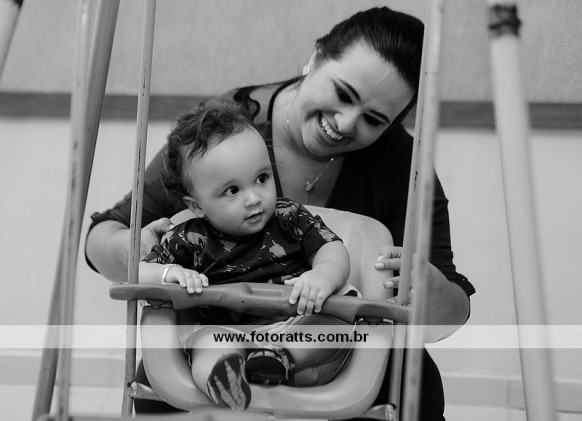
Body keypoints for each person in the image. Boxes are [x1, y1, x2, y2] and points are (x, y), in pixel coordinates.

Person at [86, 7, 475, 420]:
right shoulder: (223, 133)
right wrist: (148, 258)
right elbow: (102, 238)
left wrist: (428, 290)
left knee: (411, 385)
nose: (346, 123)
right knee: (183, 366)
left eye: (374, 120)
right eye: (343, 94)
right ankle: (225, 376)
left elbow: (451, 310)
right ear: (316, 58)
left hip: (330, 339)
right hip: (222, 326)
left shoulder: (401, 164)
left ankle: (281, 357)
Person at [138, 98, 353, 410]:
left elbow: (331, 247)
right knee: (204, 344)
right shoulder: (188, 238)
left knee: (339, 315)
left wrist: (324, 274)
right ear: (197, 206)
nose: (254, 198)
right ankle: (225, 381)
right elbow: (139, 273)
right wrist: (170, 273)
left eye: (262, 179)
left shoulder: (289, 216)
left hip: (294, 325)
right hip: (225, 333)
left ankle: (280, 358)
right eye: (233, 190)